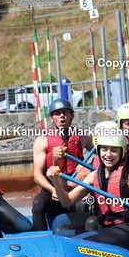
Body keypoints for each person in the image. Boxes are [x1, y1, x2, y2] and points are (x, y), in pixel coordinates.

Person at [47, 133, 129, 255]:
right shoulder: (93, 176)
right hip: (107, 227)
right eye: (104, 149)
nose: (108, 154)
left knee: (76, 243)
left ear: (122, 152)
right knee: (61, 234)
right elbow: (67, 201)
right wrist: (55, 181)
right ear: (99, 151)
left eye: (114, 150)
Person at [31, 98, 92, 230]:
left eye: (65, 112)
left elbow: (101, 158)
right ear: (52, 118)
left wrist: (87, 170)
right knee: (38, 204)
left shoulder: (83, 137)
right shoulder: (42, 140)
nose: (62, 116)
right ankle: (41, 237)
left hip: (75, 187)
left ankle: (84, 234)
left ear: (72, 115)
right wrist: (53, 190)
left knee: (87, 203)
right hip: (53, 187)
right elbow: (37, 175)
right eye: (57, 113)